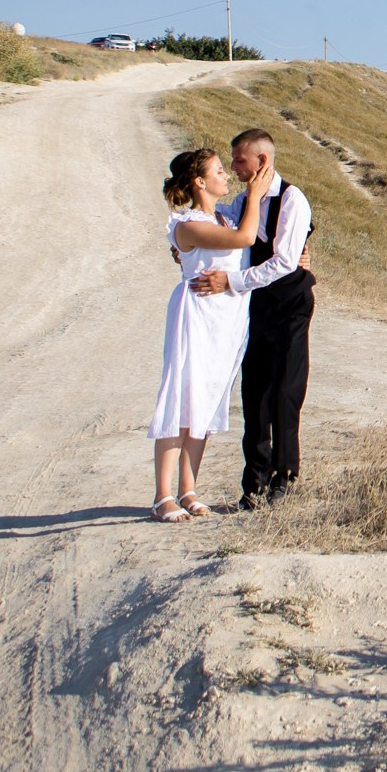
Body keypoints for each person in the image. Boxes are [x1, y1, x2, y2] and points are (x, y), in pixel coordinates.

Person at [188, 127, 314, 509]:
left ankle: (285, 477)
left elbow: (285, 262)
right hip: (255, 308)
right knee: (254, 394)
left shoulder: (292, 199)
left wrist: (231, 281)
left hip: (290, 305)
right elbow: (214, 224)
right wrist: (182, 244)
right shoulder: (243, 202)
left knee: (285, 392)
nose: (233, 166)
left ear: (262, 160)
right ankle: (255, 483)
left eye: (239, 160)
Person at [149, 146, 268, 522]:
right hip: (196, 318)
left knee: (206, 400)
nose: (225, 175)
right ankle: (162, 496)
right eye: (218, 170)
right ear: (199, 182)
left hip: (225, 321)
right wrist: (255, 195)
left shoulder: (223, 216)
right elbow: (246, 238)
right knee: (181, 400)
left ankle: (188, 490)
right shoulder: (187, 225)